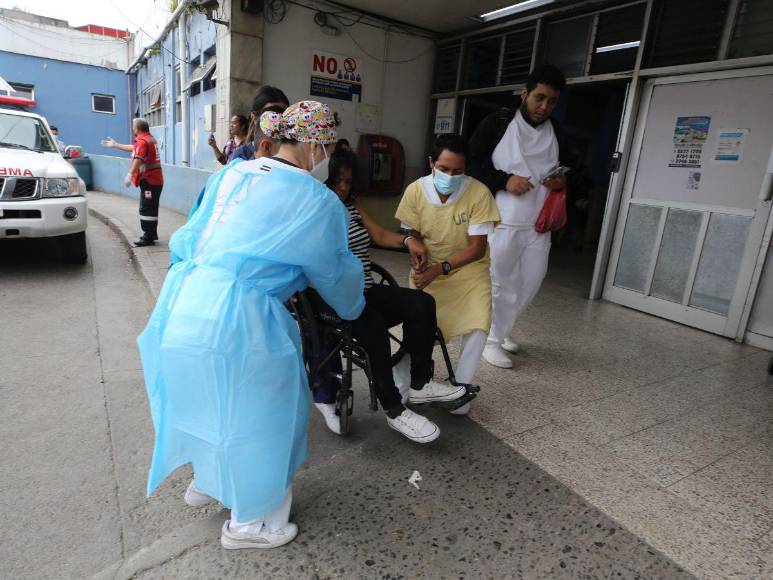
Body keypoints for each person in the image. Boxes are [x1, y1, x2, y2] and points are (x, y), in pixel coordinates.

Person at [137, 101, 364, 550]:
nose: (329, 157)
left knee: (204, 401)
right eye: (330, 147)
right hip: (241, 316)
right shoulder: (317, 199)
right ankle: (254, 523)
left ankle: (209, 481)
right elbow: (335, 272)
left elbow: (191, 233)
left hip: (182, 300)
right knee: (267, 416)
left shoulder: (233, 173)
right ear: (316, 144)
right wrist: (355, 305)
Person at [312, 145, 467, 443]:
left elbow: (381, 236)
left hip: (364, 291)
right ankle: (394, 408)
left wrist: (409, 240)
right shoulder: (316, 213)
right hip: (334, 299)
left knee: (422, 303)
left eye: (347, 182)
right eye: (337, 182)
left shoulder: (352, 209)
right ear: (324, 181)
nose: (343, 188)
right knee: (372, 328)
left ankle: (419, 383)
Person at [467, 64, 567, 369]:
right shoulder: (497, 123)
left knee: (531, 281)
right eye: (539, 97)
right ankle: (490, 341)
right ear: (525, 93)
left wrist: (561, 182)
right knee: (500, 283)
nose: (544, 106)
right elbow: (470, 164)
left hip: (539, 223)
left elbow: (567, 166)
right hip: (503, 220)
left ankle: (502, 328)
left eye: (551, 101)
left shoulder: (556, 131)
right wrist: (504, 180)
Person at [394, 134, 500, 415]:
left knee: (478, 323)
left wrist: (440, 269)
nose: (450, 176)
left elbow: (477, 249)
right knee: (419, 329)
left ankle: (461, 389)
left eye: (458, 171)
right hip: (428, 269)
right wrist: (417, 258)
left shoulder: (479, 193)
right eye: (443, 169)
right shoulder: (416, 191)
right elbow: (411, 233)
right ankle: (405, 383)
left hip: (468, 272)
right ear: (431, 162)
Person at [101, 118, 165, 247]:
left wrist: (130, 174)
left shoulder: (142, 141)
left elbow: (138, 158)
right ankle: (151, 234)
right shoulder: (148, 139)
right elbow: (134, 149)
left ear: (137, 129)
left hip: (150, 181)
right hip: (154, 180)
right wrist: (116, 145)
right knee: (150, 207)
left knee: (146, 208)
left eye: (133, 127)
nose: (132, 129)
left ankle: (148, 236)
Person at [230, 85, 290, 161]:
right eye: (271, 116)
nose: (278, 122)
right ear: (254, 118)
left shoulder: (292, 153)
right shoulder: (240, 157)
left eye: (283, 115)